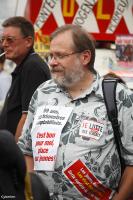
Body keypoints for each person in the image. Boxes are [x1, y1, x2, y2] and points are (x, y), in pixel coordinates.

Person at [18, 24, 133, 200]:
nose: (52, 62)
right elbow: (27, 150)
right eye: (51, 55)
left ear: (85, 57)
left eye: (60, 56)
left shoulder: (118, 97)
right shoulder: (43, 92)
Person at [0, 16, 51, 141]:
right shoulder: (25, 65)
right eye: (2, 39)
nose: (4, 44)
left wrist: (18, 154)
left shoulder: (32, 66)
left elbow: (28, 116)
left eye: (10, 40)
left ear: (28, 41)